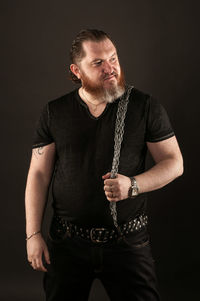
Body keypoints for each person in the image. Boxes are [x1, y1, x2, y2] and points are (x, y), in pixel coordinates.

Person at [25, 29, 183, 301]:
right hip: (68, 242)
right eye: (98, 63)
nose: (111, 68)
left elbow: (174, 163)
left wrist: (133, 185)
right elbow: (39, 175)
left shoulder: (144, 107)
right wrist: (33, 235)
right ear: (76, 70)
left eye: (113, 58)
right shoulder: (55, 112)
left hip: (127, 242)